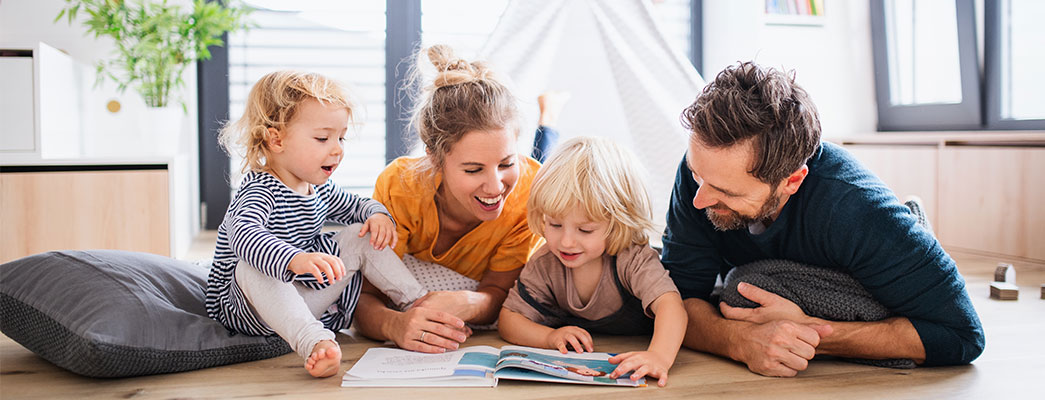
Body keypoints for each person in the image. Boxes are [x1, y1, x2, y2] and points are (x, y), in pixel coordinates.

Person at [661, 61, 984, 377]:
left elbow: (962, 336)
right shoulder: (705, 174)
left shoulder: (859, 211)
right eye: (696, 174)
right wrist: (737, 341)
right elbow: (676, 299)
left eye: (726, 191)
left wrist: (811, 334)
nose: (699, 199)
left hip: (864, 256)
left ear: (792, 180)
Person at [206, 71, 427, 378]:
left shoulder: (317, 187)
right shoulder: (259, 191)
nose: (337, 149)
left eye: (341, 137)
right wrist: (294, 259)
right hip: (249, 308)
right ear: (277, 139)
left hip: (301, 298)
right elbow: (243, 236)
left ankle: (418, 301)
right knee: (250, 266)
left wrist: (377, 215)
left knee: (358, 234)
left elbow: (356, 205)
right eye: (323, 138)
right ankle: (315, 341)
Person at [353, 45, 544, 353]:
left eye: (507, 164)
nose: (496, 187)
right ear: (435, 159)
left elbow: (500, 292)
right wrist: (394, 325)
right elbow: (363, 295)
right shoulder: (401, 187)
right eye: (473, 169)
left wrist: (472, 301)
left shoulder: (528, 192)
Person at [498, 137, 687, 387]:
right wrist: (549, 337)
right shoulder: (546, 262)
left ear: (617, 224)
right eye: (554, 224)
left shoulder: (632, 257)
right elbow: (509, 319)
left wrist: (659, 356)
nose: (566, 242)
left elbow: (672, 307)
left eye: (585, 230)